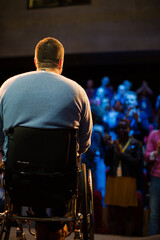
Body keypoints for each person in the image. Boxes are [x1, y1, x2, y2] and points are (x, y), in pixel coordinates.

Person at [0, 37, 93, 240]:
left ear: (35, 60)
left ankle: (40, 218)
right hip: (60, 181)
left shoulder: (7, 86)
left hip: (18, 179)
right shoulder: (77, 91)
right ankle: (55, 226)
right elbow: (84, 143)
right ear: (60, 62)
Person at [104, 119, 144, 236]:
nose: (121, 130)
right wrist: (110, 149)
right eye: (119, 128)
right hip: (114, 180)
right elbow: (107, 161)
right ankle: (112, 238)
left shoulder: (135, 144)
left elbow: (137, 162)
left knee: (128, 214)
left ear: (129, 129)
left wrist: (121, 154)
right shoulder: (114, 143)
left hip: (128, 180)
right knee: (113, 213)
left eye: (124, 128)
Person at [144, 108, 160, 236]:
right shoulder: (154, 134)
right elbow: (146, 156)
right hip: (156, 177)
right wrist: (156, 152)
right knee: (154, 213)